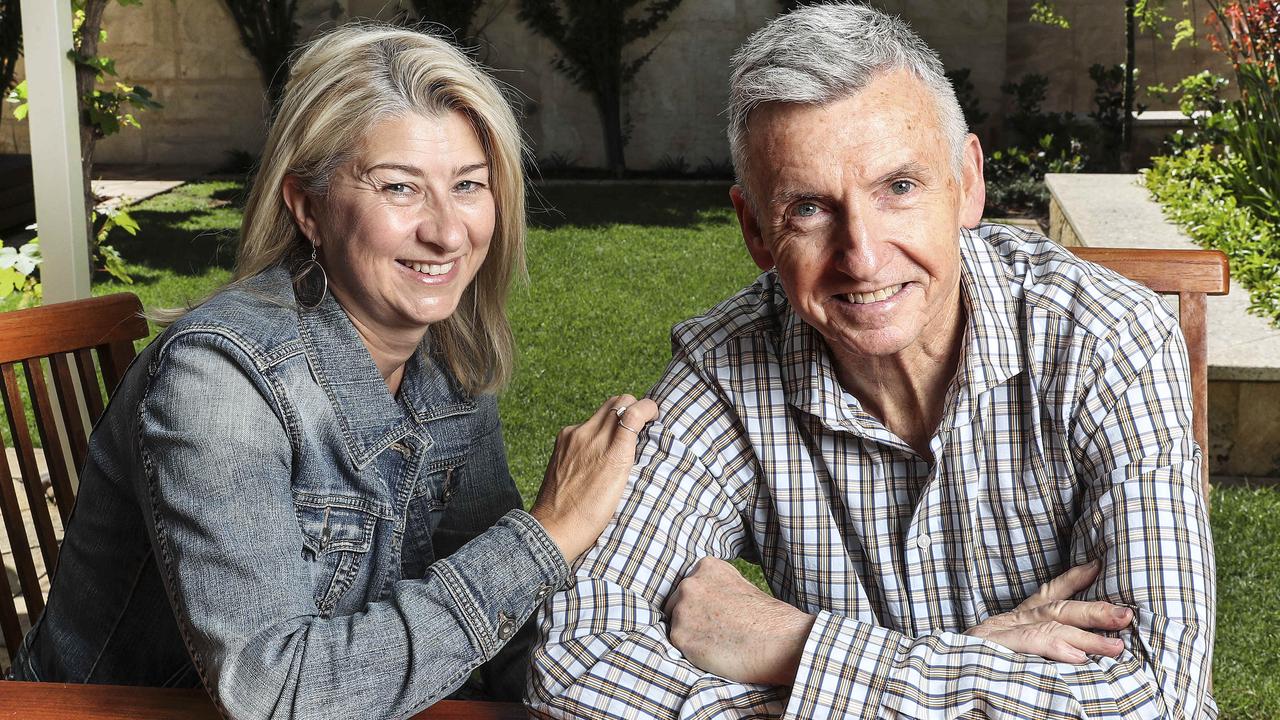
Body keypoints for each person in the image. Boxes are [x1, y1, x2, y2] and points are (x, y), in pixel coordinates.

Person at [529, 4, 1215, 719]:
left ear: (968, 183)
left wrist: (796, 647)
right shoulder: (725, 369)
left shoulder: (1105, 338)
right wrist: (970, 658)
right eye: (809, 210)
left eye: (899, 188)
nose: (861, 255)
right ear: (756, 231)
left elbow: (1157, 697)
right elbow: (577, 661)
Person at [11, 24, 657, 719]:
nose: (447, 231)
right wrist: (547, 536)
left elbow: (502, 644)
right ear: (308, 206)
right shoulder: (218, 381)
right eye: (400, 188)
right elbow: (274, 692)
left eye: (468, 185)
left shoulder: (446, 366)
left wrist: (656, 658)